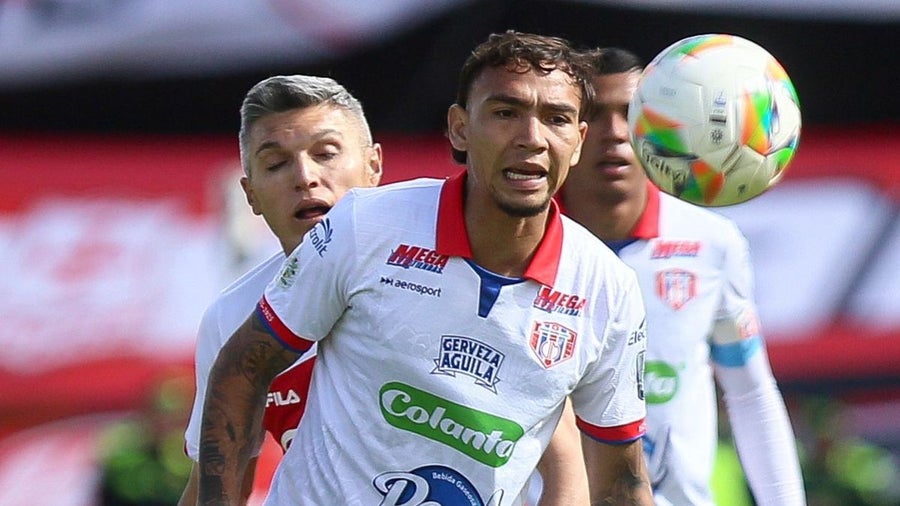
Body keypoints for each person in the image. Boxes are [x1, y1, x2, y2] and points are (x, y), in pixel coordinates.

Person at [197, 30, 653, 505]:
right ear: (459, 128)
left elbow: (619, 482)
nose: (532, 138)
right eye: (505, 113)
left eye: (556, 119)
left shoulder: (608, 287)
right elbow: (242, 368)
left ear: (578, 141)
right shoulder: (364, 224)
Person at [555, 46, 806, 505]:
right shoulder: (524, 241)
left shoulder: (711, 243)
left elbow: (750, 393)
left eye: (631, 112)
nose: (615, 132)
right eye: (593, 114)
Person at [177, 74, 384, 505]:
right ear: (251, 195)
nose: (305, 177)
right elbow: (214, 489)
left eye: (326, 154)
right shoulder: (234, 319)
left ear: (374, 166)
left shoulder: (452, 268)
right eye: (276, 164)